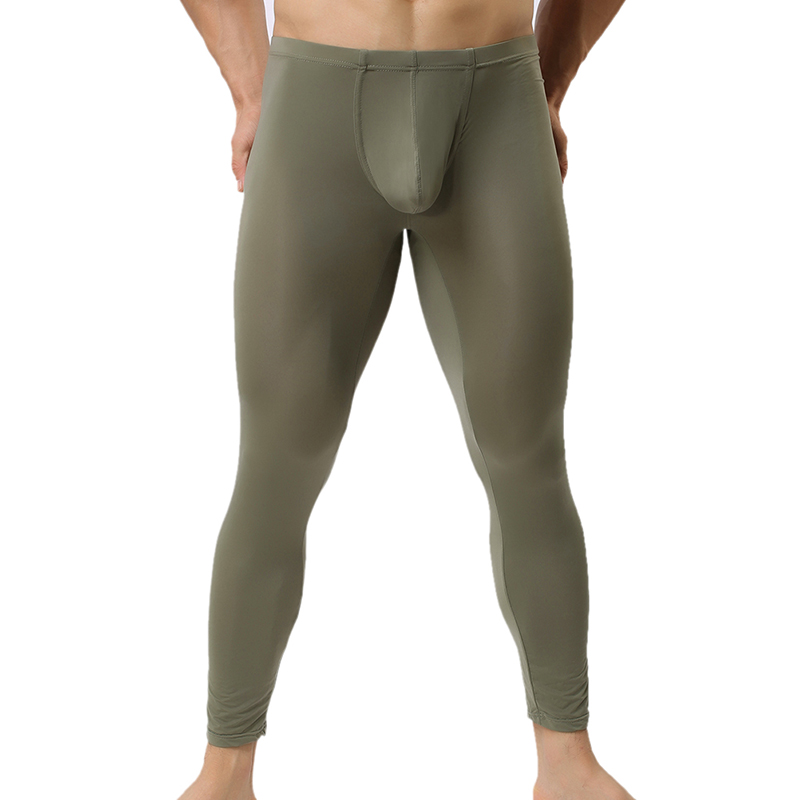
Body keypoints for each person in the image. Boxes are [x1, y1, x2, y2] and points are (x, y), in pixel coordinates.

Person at [176, 0, 634, 798]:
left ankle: (568, 767)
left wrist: (547, 82)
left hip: (496, 103)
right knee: (277, 466)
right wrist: (252, 86)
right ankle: (224, 775)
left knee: (527, 456)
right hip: (314, 103)